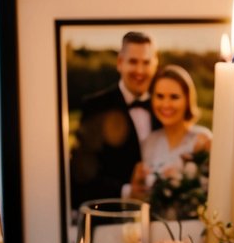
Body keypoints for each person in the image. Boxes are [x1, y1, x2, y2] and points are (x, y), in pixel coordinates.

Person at [70, 30, 160, 207]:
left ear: (155, 64)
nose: (140, 70)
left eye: (146, 62)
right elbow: (81, 177)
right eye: (133, 62)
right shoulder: (95, 106)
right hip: (111, 219)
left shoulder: (164, 107)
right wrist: (127, 192)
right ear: (120, 63)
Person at [130, 65, 212, 196]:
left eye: (174, 97)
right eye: (160, 96)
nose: (166, 104)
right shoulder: (149, 142)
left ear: (187, 100)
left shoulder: (203, 139)